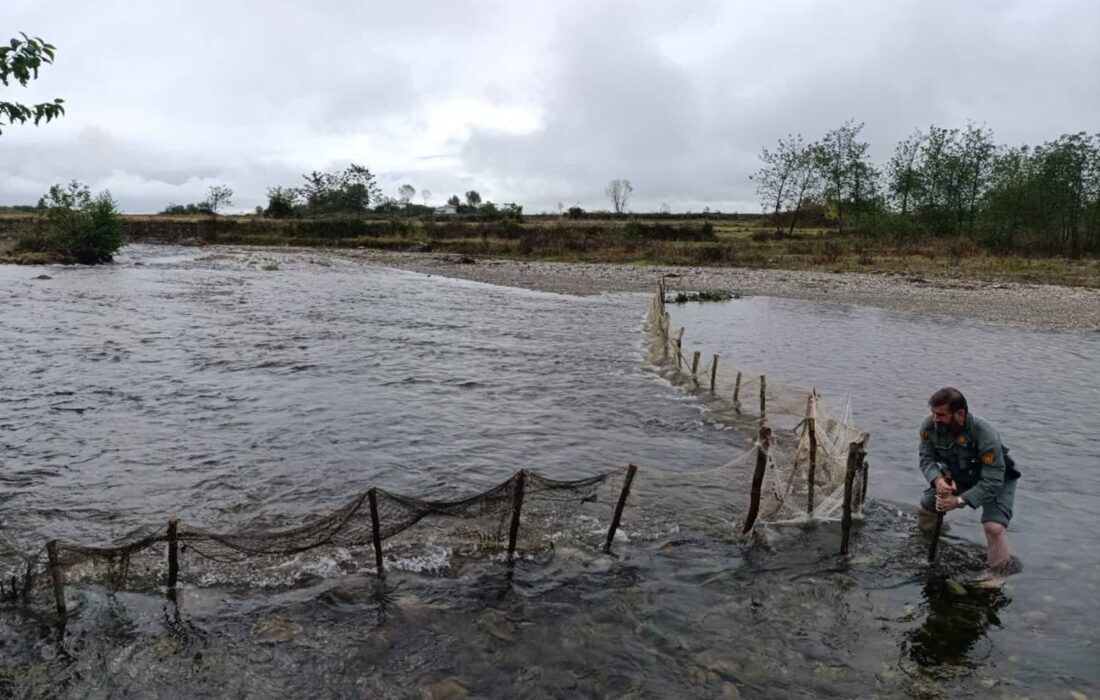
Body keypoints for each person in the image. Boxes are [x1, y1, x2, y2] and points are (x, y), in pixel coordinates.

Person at [917, 387, 1021, 572]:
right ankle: (930, 545)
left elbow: (993, 480)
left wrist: (957, 502)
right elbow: (927, 459)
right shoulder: (929, 427)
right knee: (926, 508)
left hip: (996, 479)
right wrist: (937, 480)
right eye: (933, 413)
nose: (935, 419)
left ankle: (995, 576)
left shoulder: (985, 434)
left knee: (994, 527)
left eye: (941, 414)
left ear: (960, 414)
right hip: (958, 476)